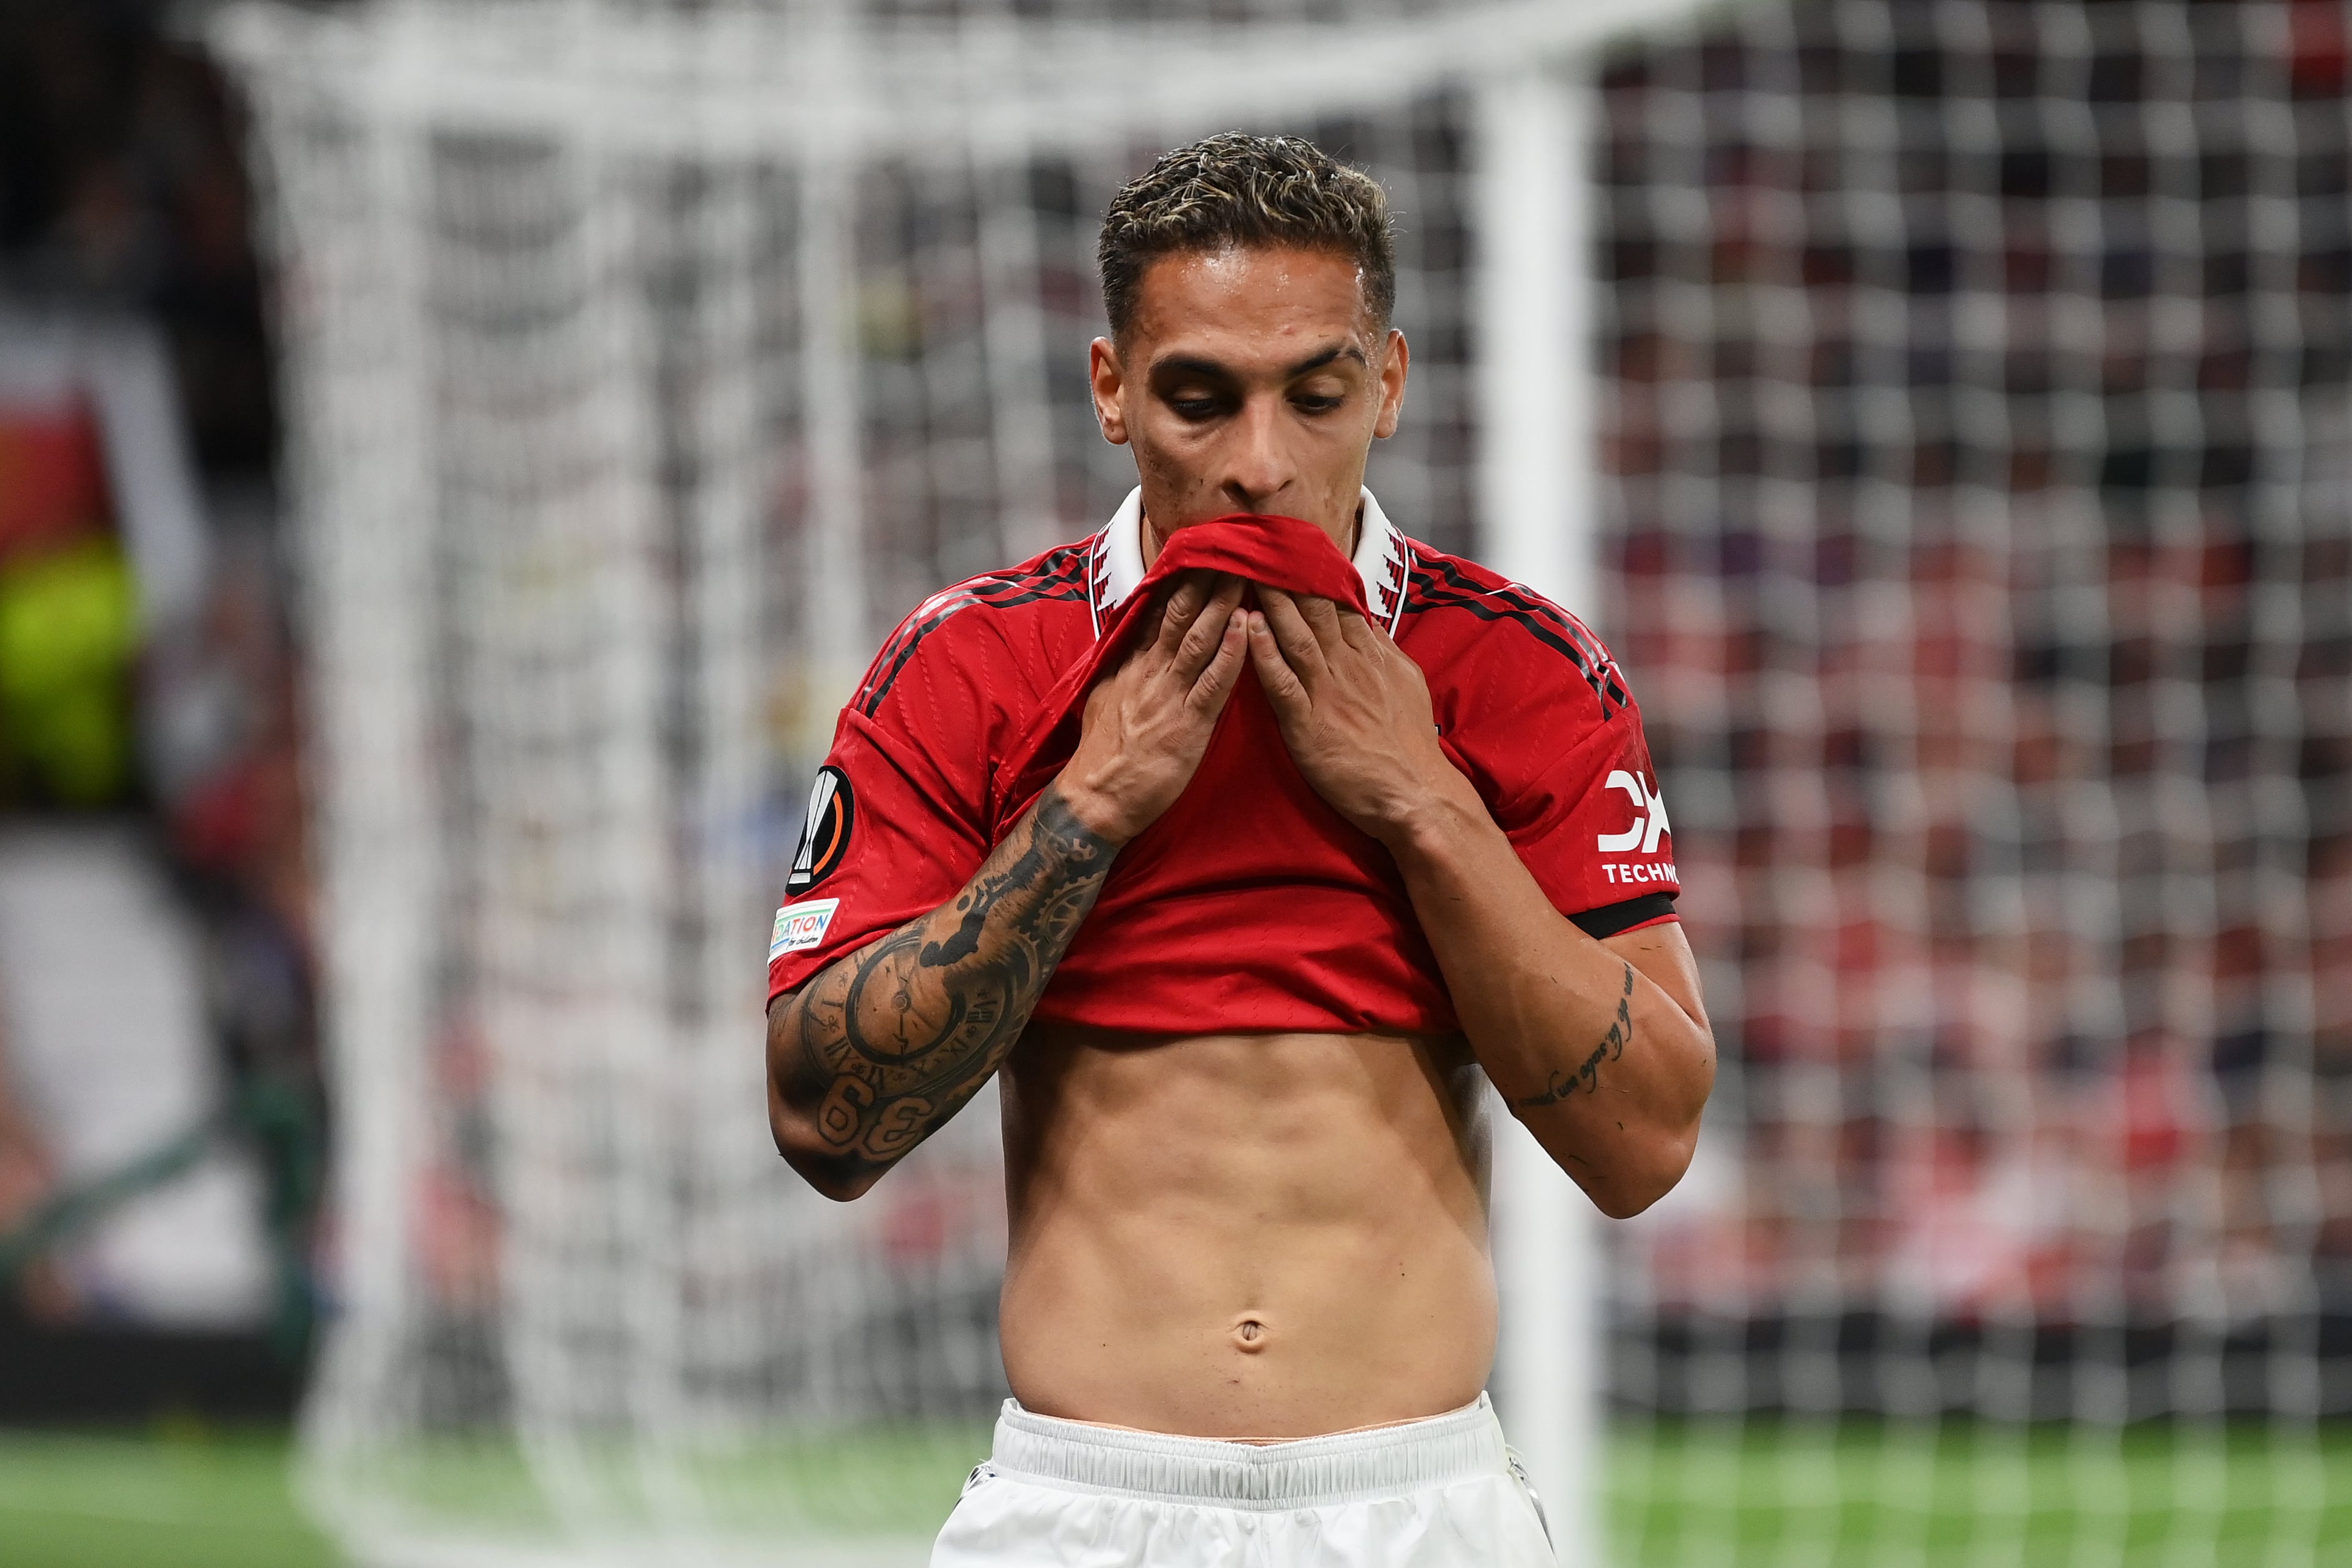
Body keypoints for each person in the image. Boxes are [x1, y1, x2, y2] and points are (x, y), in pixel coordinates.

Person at [765, 132, 1714, 1567]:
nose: (1259, 464)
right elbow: (820, 1122)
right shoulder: (971, 666)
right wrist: (1084, 814)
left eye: (1313, 396)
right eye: (1198, 400)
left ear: (1385, 386)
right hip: (1079, 1507)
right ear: (1110, 393)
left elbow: (1645, 1142)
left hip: (1419, 1505)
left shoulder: (1519, 671)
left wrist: (1422, 805)